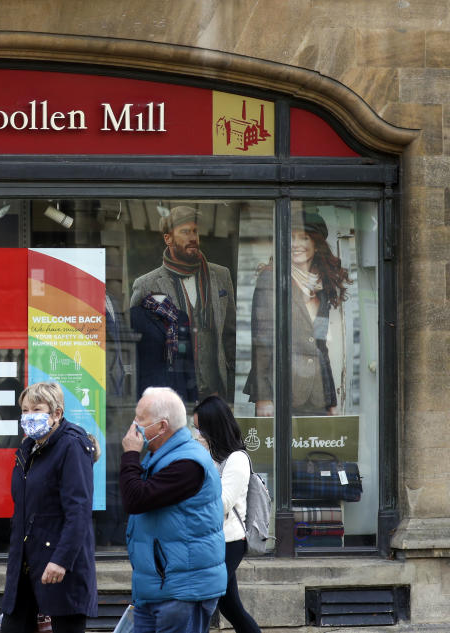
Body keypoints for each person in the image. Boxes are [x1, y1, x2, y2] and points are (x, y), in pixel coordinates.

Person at [120, 386, 226, 633]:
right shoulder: (161, 456)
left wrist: (130, 455)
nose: (134, 425)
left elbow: (135, 499)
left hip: (181, 590)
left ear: (162, 426)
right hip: (157, 588)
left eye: (141, 419)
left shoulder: (187, 463)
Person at [1, 381, 99, 633]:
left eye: (36, 409)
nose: (28, 417)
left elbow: (78, 511)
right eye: (24, 410)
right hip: (26, 564)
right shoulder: (28, 447)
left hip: (58, 565)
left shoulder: (72, 446)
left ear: (57, 413)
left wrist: (61, 560)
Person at [244, 210, 351, 416]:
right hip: (281, 390)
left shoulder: (322, 284)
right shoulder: (271, 279)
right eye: (291, 238)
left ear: (316, 243)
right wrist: (264, 398)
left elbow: (320, 346)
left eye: (304, 237)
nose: (296, 244)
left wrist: (331, 399)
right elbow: (262, 343)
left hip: (317, 394)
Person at [129, 206, 236, 402]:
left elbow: (230, 333)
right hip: (173, 391)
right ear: (168, 238)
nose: (193, 237)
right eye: (185, 232)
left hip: (215, 390)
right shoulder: (146, 284)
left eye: (195, 231)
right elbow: (136, 343)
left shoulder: (221, 276)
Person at [192, 396, 261, 633]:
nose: (197, 434)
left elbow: (221, 504)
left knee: (203, 604)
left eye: (200, 428)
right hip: (211, 539)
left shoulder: (237, 460)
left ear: (214, 428)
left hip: (229, 542)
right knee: (231, 607)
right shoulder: (209, 456)